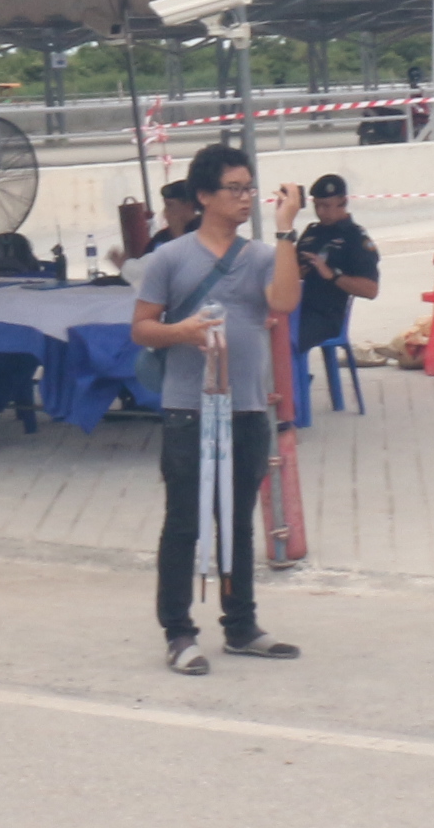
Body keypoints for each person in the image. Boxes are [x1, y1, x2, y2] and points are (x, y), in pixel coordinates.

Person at [130, 143, 304, 674]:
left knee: (238, 520)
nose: (245, 197)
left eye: (249, 187)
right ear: (204, 195)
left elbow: (284, 302)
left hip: (247, 406)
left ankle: (241, 625)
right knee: (184, 519)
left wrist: (285, 230)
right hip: (189, 408)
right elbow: (141, 327)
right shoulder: (170, 258)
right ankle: (178, 631)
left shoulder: (260, 255)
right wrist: (180, 333)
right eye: (235, 188)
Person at [288, 173, 381, 422]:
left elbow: (371, 290)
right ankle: (287, 390)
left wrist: (331, 275)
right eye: (318, 206)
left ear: (343, 202)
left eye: (329, 206)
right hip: (296, 308)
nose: (323, 212)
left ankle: (294, 405)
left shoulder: (355, 239)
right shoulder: (311, 234)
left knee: (287, 342)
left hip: (326, 316)